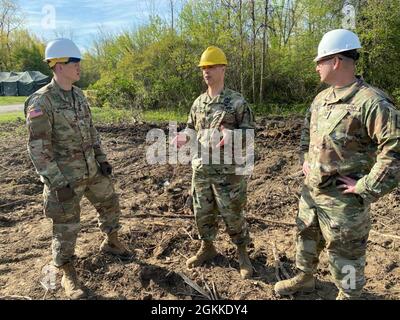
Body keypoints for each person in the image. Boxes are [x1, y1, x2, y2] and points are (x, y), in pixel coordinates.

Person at [274, 29, 400, 299]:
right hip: (313, 193)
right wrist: (305, 160)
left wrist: (366, 187)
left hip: (345, 201)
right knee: (306, 239)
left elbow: (395, 150)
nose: (317, 66)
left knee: (346, 256)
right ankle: (305, 278)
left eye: (321, 60)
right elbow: (306, 133)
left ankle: (349, 295)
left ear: (337, 61)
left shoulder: (372, 102)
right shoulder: (321, 98)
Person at [24, 38, 131, 299]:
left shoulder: (79, 95)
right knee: (66, 228)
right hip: (65, 180)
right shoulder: (41, 102)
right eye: (75, 62)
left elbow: (92, 132)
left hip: (91, 170)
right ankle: (68, 273)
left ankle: (112, 241)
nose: (79, 66)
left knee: (110, 202)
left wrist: (102, 159)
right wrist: (56, 183)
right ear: (59, 66)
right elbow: (38, 149)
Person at [173, 46, 255, 279]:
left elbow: (250, 134)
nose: (206, 72)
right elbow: (191, 126)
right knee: (202, 212)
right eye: (203, 68)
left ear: (222, 68)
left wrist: (233, 136)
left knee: (233, 214)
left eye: (211, 67)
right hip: (201, 169)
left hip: (229, 172)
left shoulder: (236, 102)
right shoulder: (198, 103)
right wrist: (184, 135)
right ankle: (207, 247)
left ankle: (242, 253)